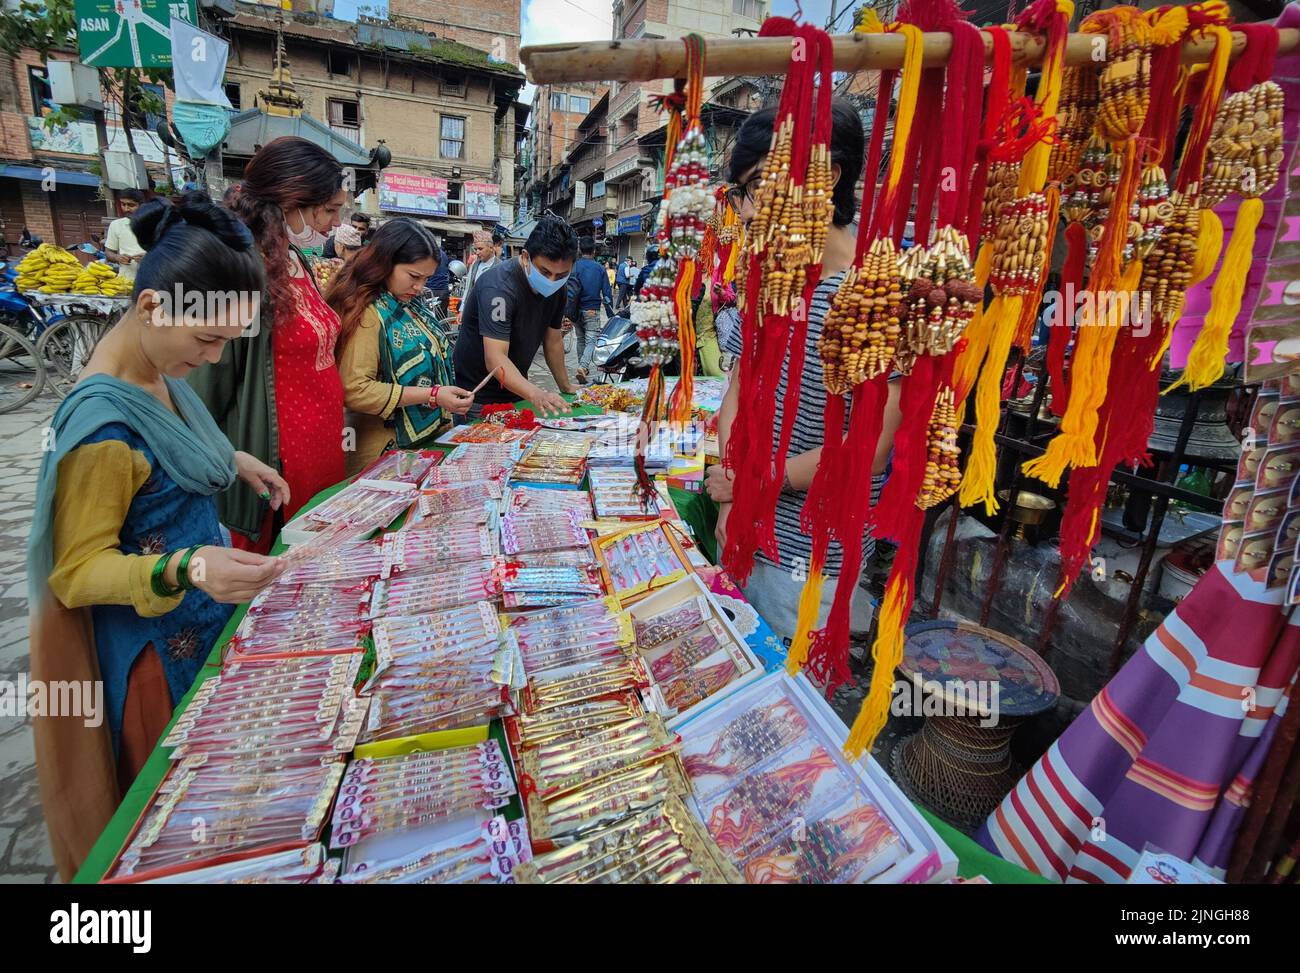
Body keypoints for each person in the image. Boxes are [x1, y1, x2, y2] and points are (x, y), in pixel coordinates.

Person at [28, 194, 288, 880]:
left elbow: (175, 446)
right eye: (207, 340)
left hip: (202, 623)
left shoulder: (156, 372)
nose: (213, 355)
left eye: (228, 342)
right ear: (151, 310)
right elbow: (76, 571)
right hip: (156, 660)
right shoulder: (102, 424)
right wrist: (183, 568)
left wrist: (233, 457)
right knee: (176, 829)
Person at [705, 102, 904, 647]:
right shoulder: (771, 272)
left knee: (788, 706)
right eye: (743, 192)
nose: (747, 212)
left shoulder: (877, 288)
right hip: (742, 527)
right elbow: (739, 386)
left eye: (758, 185)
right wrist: (729, 497)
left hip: (810, 557)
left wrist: (753, 485)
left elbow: (870, 446)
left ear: (829, 175)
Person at [189, 135, 348, 554]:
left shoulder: (294, 259)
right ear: (291, 202)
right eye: (329, 210)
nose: (335, 223)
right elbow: (207, 385)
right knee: (277, 576)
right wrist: (224, 458)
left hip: (321, 449)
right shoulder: (242, 269)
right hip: (276, 458)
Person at [330, 218, 474, 474]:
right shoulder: (367, 313)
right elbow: (355, 389)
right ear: (384, 263)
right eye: (413, 277)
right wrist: (432, 395)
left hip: (418, 447)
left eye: (426, 279)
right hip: (382, 453)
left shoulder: (406, 303)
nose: (419, 287)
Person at [452, 215, 577, 420]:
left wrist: (566, 385)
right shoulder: (498, 287)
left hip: (517, 390)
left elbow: (553, 340)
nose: (552, 281)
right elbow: (495, 358)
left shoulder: (558, 289)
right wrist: (536, 393)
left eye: (561, 275)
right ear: (526, 257)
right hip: (477, 396)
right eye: (544, 272)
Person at [567, 235, 615, 383]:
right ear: (594, 251)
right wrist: (610, 312)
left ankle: (582, 370)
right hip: (591, 310)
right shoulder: (599, 268)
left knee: (580, 339)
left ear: (580, 250)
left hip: (575, 311)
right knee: (591, 341)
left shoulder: (573, 266)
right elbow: (607, 293)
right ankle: (583, 366)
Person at [104, 189, 148, 282]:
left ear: (142, 206)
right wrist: (117, 257)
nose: (126, 209)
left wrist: (148, 257)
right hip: (126, 280)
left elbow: (167, 252)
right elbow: (108, 252)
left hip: (151, 278)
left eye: (131, 205)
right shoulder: (116, 225)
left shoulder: (154, 224)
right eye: (123, 204)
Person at [460, 229, 500, 310]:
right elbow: (468, 288)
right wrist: (462, 309)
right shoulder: (475, 264)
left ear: (491, 248)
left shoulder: (500, 267)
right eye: (476, 249)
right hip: (473, 310)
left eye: (480, 249)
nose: (477, 252)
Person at [424, 238, 451, 315]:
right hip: (443, 289)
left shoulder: (429, 254)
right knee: (442, 317)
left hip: (430, 289)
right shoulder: (444, 254)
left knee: (428, 317)